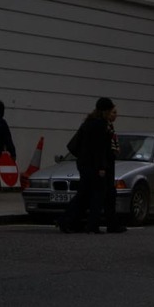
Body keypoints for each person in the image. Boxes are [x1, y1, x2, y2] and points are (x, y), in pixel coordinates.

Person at [57, 97, 117, 234]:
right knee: (97, 194)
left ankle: (70, 221)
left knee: (84, 193)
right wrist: (101, 167)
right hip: (94, 165)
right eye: (110, 110)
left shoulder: (89, 122)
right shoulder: (100, 125)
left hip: (84, 163)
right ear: (106, 110)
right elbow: (99, 148)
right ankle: (88, 224)